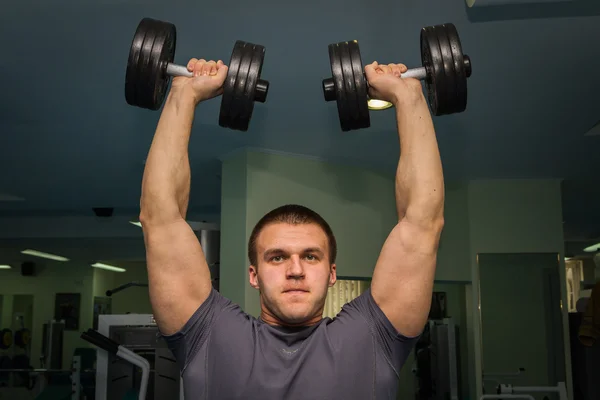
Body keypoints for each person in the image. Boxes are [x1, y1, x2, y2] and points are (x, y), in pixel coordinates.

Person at [138, 57, 445, 399]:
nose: (295, 270)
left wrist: (409, 95)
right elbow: (160, 220)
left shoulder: (371, 336)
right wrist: (183, 93)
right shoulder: (210, 336)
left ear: (332, 273)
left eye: (311, 257)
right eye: (277, 257)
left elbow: (422, 223)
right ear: (253, 274)